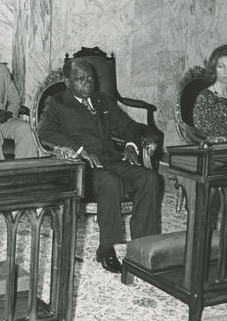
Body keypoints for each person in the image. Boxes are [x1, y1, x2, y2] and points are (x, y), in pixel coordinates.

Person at [38, 58, 161, 273]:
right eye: (80, 79)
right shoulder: (57, 103)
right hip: (81, 166)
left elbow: (129, 126)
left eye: (90, 78)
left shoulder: (102, 100)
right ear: (67, 82)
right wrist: (79, 150)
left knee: (150, 178)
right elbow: (45, 133)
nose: (88, 83)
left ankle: (143, 245)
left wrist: (131, 145)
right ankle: (106, 248)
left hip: (111, 160)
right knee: (110, 182)